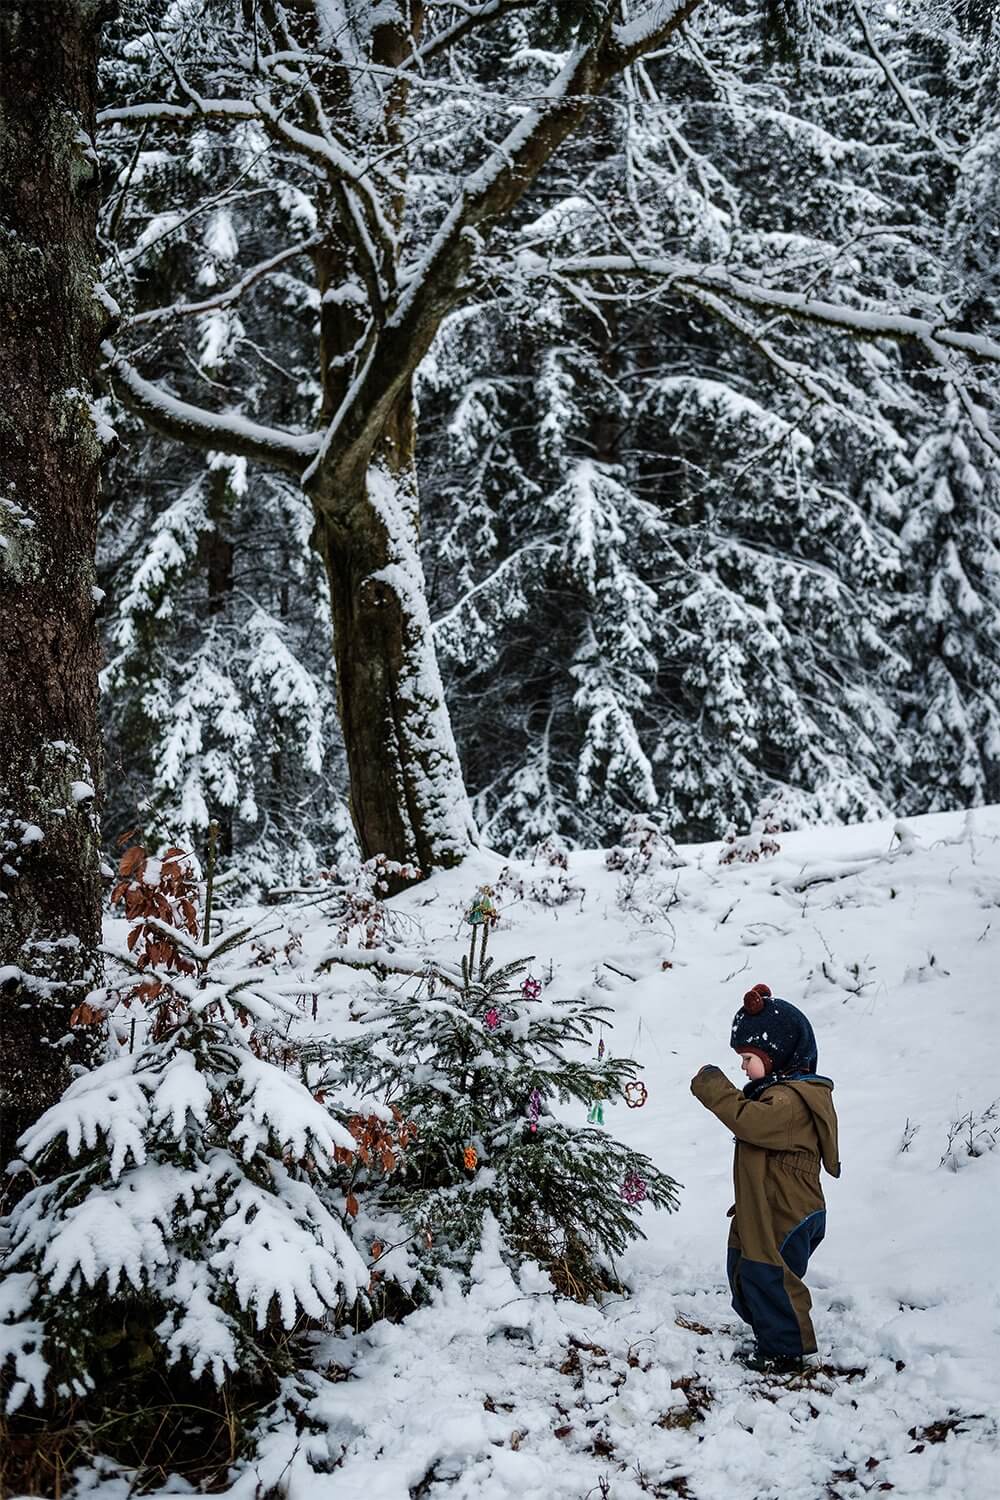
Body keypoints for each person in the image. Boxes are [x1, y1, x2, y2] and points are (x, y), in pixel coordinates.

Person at [690, 982, 840, 1374]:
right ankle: (770, 1337)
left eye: (748, 1058)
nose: (743, 1067)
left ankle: (788, 1351)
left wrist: (714, 1087)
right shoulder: (777, 1094)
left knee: (771, 1275)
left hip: (786, 1209)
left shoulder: (790, 1101)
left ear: (778, 1054)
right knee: (745, 1268)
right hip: (765, 1204)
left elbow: (749, 1123)